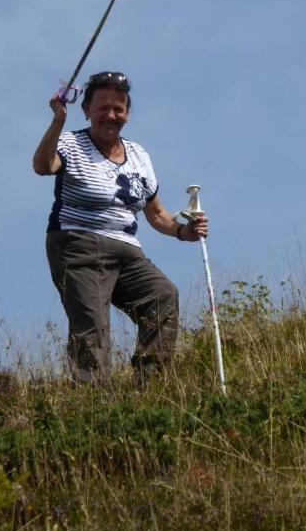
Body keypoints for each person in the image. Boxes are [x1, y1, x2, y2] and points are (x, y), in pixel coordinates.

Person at [32, 71, 209, 384]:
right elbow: (43, 166)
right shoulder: (71, 144)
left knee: (162, 296)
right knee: (92, 326)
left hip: (127, 250)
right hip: (78, 245)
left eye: (119, 108)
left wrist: (184, 231)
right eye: (103, 108)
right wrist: (58, 120)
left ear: (127, 113)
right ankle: (93, 402)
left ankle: (149, 385)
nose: (111, 115)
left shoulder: (139, 155)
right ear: (86, 110)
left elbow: (156, 213)